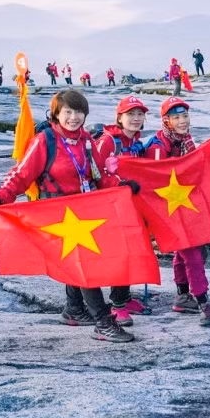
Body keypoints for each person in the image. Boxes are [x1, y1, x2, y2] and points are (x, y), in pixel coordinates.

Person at [0, 89, 133, 343]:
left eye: (79, 111)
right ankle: (103, 322)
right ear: (56, 113)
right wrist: (0, 197)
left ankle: (74, 310)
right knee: (84, 263)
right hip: (57, 213)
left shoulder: (86, 141)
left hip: (83, 208)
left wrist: (121, 184)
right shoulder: (44, 140)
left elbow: (98, 176)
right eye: (68, 112)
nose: (74, 117)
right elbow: (22, 174)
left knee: (79, 260)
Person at [144, 97, 210, 327]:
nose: (182, 121)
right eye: (176, 117)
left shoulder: (186, 141)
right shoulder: (158, 146)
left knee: (183, 253)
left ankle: (182, 295)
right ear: (167, 120)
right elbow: (154, 179)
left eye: (185, 116)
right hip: (168, 209)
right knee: (193, 254)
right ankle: (203, 302)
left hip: (184, 204)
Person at [94, 94, 153, 327]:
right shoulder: (109, 141)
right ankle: (116, 305)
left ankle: (124, 298)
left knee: (132, 250)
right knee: (120, 252)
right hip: (111, 207)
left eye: (140, 114)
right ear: (119, 117)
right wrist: (116, 183)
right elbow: (95, 174)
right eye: (131, 114)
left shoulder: (136, 142)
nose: (136, 118)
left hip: (131, 205)